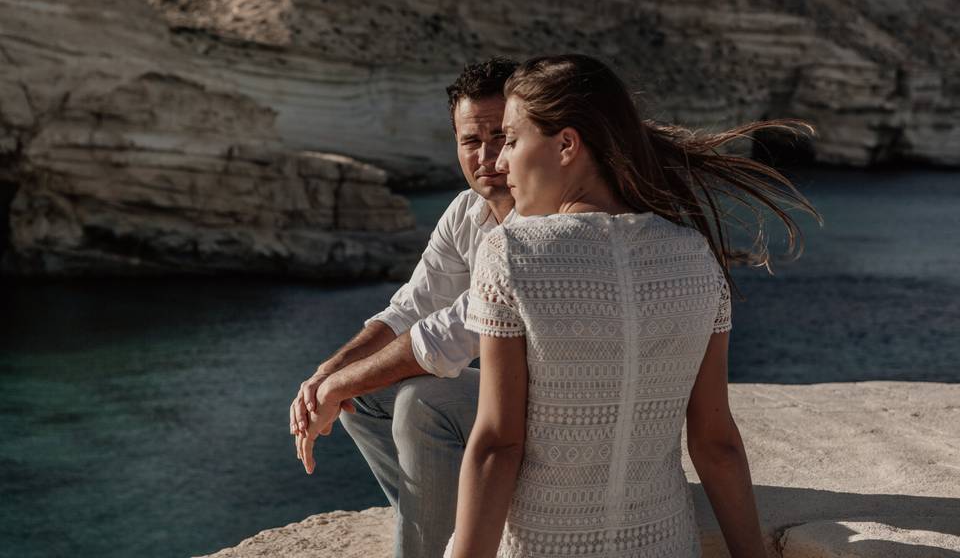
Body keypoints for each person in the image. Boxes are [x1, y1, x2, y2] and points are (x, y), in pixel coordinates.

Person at [443, 54, 821, 558]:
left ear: (566, 144)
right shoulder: (695, 255)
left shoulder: (511, 254)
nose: (501, 161)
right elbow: (716, 444)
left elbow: (497, 446)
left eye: (511, 139)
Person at [289, 57, 521, 557]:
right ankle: (443, 524)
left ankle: (424, 545)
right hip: (512, 398)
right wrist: (326, 373)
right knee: (364, 399)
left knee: (420, 401)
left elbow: (448, 337)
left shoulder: (541, 225)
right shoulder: (467, 211)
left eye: (500, 137)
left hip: (560, 404)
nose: (486, 155)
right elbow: (409, 309)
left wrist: (336, 385)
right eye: (470, 141)